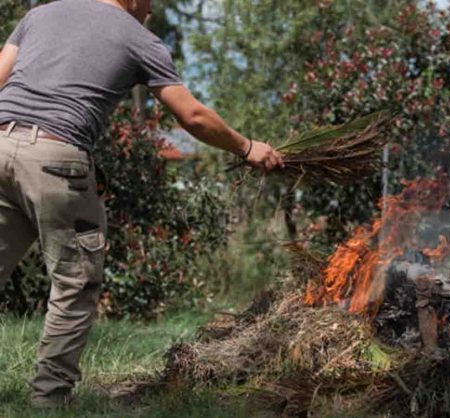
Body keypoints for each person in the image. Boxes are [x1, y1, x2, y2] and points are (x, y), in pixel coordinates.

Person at [0, 0, 283, 408]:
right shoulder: (139, 39)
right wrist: (247, 146)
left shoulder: (41, 13)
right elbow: (193, 117)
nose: (150, 12)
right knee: (76, 280)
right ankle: (49, 400)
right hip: (55, 157)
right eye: (150, 1)